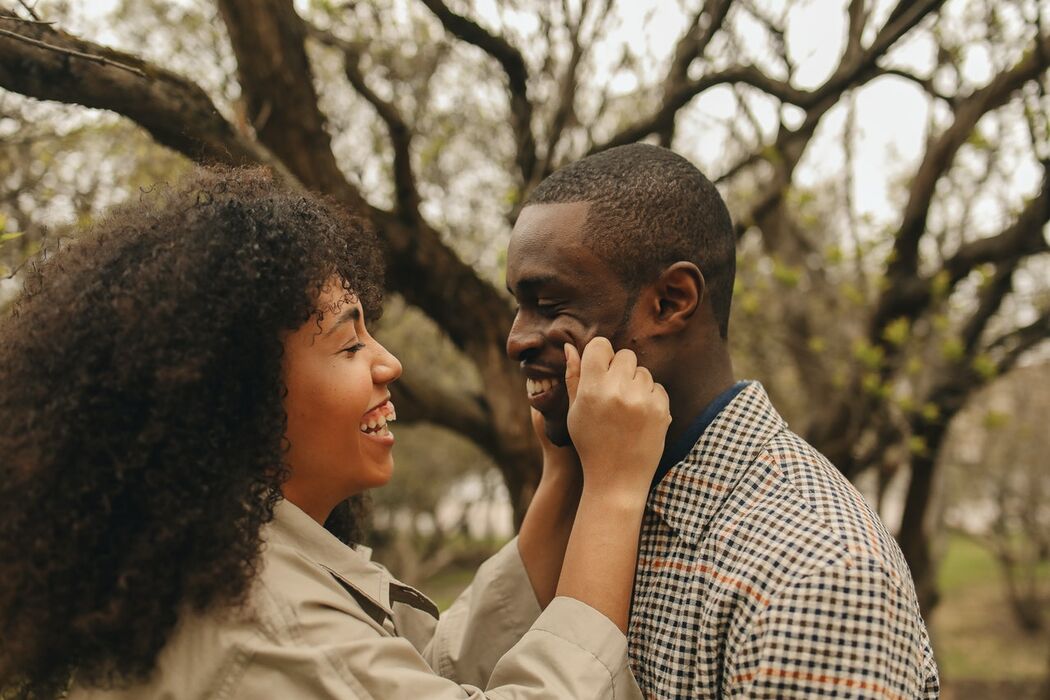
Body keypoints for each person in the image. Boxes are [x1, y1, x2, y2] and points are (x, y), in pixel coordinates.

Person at [0, 167, 672, 699]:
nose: (390, 363)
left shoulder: (224, 567)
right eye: (350, 345)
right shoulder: (266, 627)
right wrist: (613, 489)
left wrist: (562, 477)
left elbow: (415, 674)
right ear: (240, 397)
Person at [505, 143, 940, 698]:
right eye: (517, 305)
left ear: (670, 302)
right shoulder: (603, 504)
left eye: (550, 305)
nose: (516, 339)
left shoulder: (816, 573)